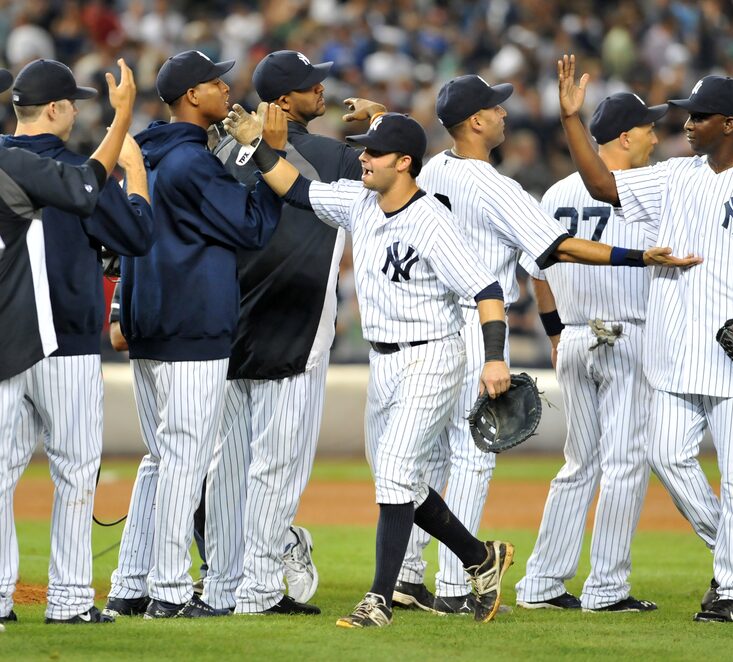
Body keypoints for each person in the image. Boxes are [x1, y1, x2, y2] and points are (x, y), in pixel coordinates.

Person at [392, 74, 701, 614]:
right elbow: (553, 251)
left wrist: (558, 331)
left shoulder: (434, 169)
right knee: (474, 457)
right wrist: (638, 256)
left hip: (443, 323)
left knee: (437, 456)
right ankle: (460, 587)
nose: (506, 114)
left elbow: (535, 268)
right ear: (475, 121)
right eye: (496, 108)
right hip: (490, 322)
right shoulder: (498, 186)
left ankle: (420, 576)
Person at [225, 104, 516, 628]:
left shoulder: (431, 221)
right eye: (364, 147)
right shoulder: (361, 200)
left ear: (404, 162)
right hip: (384, 362)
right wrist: (260, 146)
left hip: (431, 355)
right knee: (396, 477)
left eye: (375, 151)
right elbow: (296, 189)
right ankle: (480, 557)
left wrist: (493, 358)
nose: (363, 156)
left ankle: (379, 599)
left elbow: (487, 290)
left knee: (397, 474)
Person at [557, 54, 733, 623]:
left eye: (698, 116)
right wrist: (572, 120)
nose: (686, 124)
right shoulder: (675, 175)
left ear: (729, 123)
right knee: (666, 455)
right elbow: (602, 185)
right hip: (674, 356)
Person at [105, 50, 283, 620]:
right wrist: (267, 158)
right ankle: (171, 591)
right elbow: (252, 226)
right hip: (192, 324)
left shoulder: (145, 153)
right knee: (185, 458)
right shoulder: (190, 164)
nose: (225, 88)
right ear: (189, 96)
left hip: (147, 321)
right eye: (214, 82)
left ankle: (130, 583)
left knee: (160, 459)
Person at [201, 50, 378, 616]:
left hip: (229, 321)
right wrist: (377, 122)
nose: (321, 90)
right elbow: (402, 168)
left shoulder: (221, 149)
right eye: (309, 85)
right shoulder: (331, 155)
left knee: (227, 466)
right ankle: (256, 588)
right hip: (298, 325)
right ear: (282, 101)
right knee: (279, 465)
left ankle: (221, 586)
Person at [0, 59, 153, 625]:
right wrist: (134, 181)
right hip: (66, 342)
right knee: (74, 472)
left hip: (5, 342)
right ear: (58, 109)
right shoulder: (79, 169)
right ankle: (67, 601)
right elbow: (136, 236)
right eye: (74, 103)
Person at [515, 92, 665, 613]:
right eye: (649, 128)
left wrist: (556, 335)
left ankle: (541, 585)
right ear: (625, 137)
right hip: (629, 336)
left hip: (576, 337)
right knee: (624, 463)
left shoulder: (555, 192)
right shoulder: (647, 191)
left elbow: (537, 273)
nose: (655, 136)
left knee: (578, 464)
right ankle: (607, 589)